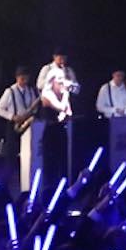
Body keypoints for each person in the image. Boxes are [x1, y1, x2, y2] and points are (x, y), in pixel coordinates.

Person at [36, 49, 80, 179]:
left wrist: (69, 83)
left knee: (63, 141)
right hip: (49, 107)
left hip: (64, 107)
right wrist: (54, 79)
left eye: (64, 58)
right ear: (54, 57)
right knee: (50, 139)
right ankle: (50, 174)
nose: (62, 60)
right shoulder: (47, 69)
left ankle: (64, 174)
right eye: (59, 57)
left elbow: (77, 89)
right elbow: (39, 85)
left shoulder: (69, 71)